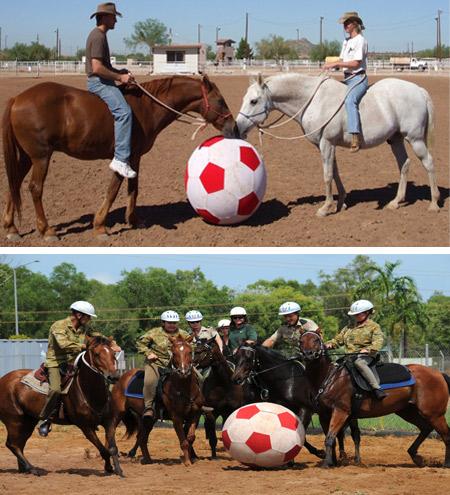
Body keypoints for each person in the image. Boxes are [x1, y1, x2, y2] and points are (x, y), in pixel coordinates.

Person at [38, 301, 121, 436]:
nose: (89, 320)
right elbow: (63, 344)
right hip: (56, 362)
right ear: (78, 315)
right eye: (87, 316)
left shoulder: (85, 328)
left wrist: (112, 344)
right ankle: (45, 419)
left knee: (97, 378)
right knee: (55, 389)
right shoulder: (59, 326)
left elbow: (100, 337)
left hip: (76, 361)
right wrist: (84, 347)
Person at [86, 3, 137, 178]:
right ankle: (120, 159)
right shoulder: (98, 37)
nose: (116, 20)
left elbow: (105, 66)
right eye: (114, 16)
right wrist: (120, 78)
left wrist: (120, 72)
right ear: (105, 17)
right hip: (99, 82)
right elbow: (97, 68)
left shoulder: (100, 35)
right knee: (124, 112)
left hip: (104, 79)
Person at [323, 11, 368, 153]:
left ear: (355, 24)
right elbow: (342, 60)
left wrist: (336, 65)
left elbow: (355, 63)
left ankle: (355, 136)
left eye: (347, 23)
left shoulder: (361, 40)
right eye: (344, 23)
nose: (345, 25)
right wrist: (331, 64)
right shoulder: (346, 41)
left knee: (350, 100)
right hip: (347, 79)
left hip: (358, 78)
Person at [326, 299, 387, 400]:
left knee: (359, 363)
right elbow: (338, 340)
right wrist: (330, 344)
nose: (355, 316)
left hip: (367, 357)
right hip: (349, 357)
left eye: (358, 314)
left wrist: (368, 350)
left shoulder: (374, 327)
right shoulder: (348, 327)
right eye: (355, 314)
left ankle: (377, 388)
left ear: (367, 313)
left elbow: (378, 343)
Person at [136, 310, 189, 418]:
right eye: (169, 322)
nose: (172, 325)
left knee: (199, 377)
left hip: (178, 364)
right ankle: (149, 407)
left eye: (174, 323)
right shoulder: (154, 333)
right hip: (157, 363)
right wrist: (148, 353)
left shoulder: (184, 334)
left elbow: (191, 345)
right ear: (163, 323)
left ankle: (200, 403)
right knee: (150, 381)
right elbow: (140, 343)